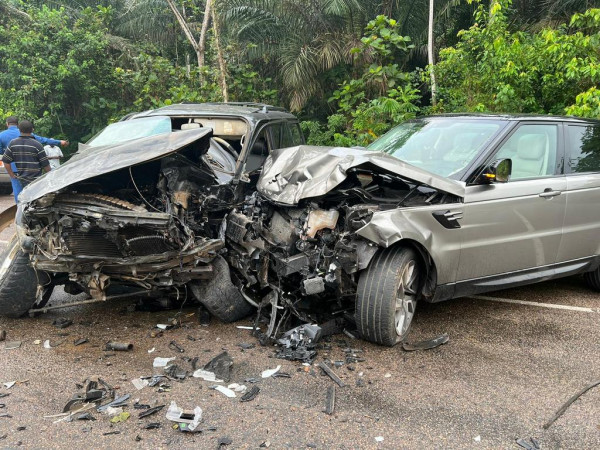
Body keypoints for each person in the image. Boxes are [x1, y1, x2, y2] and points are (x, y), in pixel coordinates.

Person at [0, 116, 68, 202]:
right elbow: (44, 141)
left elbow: (3, 156)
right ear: (17, 124)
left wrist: (11, 172)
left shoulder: (5, 138)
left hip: (14, 169)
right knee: (34, 192)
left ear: (7, 124)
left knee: (18, 192)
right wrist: (59, 142)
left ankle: (20, 210)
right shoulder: (35, 141)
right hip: (33, 171)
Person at [2, 120, 51, 198]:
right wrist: (50, 175)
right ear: (32, 130)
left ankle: (21, 209)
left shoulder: (13, 143)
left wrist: (12, 174)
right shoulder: (37, 144)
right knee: (35, 199)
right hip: (36, 179)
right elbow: (45, 164)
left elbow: (5, 161)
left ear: (19, 130)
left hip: (21, 178)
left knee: (21, 198)